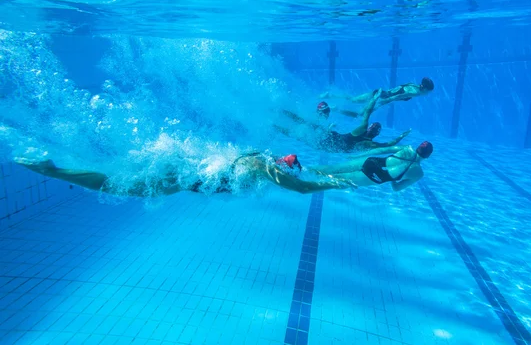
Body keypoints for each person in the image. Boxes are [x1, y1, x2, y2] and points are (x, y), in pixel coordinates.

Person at [15, 152, 355, 197]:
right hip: (177, 180)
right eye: (288, 169)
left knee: (115, 183)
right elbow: (300, 190)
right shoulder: (263, 167)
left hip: (182, 173)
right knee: (112, 185)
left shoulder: (260, 159)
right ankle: (53, 171)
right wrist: (334, 183)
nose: (287, 173)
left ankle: (55, 170)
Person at [275, 90, 411, 153]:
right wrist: (401, 136)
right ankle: (276, 125)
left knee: (304, 124)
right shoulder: (370, 144)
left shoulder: (362, 130)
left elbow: (367, 113)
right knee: (299, 134)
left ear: (371, 129)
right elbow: (388, 144)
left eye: (373, 126)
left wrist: (374, 98)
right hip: (327, 146)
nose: (371, 126)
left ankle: (281, 112)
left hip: (327, 139)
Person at [308, 141, 433, 191]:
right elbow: (397, 188)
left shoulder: (406, 149)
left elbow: (381, 150)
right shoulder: (418, 173)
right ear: (427, 157)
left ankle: (305, 169)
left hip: (372, 161)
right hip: (376, 177)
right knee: (335, 179)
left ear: (418, 147)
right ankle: (303, 178)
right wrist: (394, 179)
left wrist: (357, 156)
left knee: (333, 168)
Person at [319, 77, 434, 113]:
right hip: (379, 96)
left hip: (380, 93)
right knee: (360, 113)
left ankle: (330, 97)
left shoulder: (413, 85)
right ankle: (333, 106)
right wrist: (382, 101)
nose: (427, 94)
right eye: (428, 92)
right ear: (424, 88)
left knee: (354, 101)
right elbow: (398, 96)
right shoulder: (415, 92)